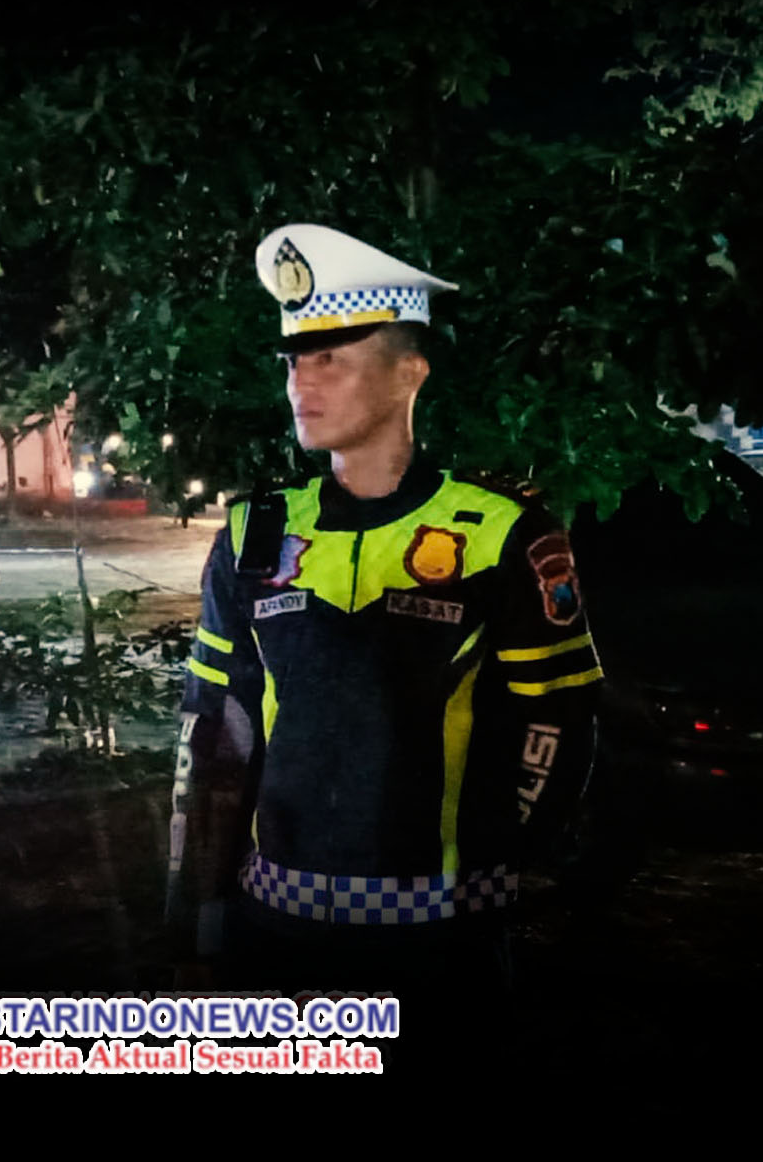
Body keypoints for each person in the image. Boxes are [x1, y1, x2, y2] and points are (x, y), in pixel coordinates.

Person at [165, 224, 601, 1072]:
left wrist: (494, 874)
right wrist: (198, 920)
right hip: (273, 931)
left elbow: (560, 720)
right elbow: (213, 735)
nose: (302, 381)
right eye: (294, 360)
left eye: (331, 358)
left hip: (439, 947)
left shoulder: (501, 534)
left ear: (411, 372)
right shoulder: (256, 535)